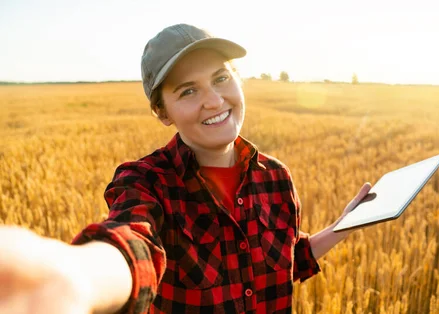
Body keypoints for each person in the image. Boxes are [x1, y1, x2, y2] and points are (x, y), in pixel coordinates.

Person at [0, 23, 371, 314]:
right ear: (162, 112)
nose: (214, 100)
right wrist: (77, 278)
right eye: (188, 91)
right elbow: (134, 243)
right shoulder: (147, 182)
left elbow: (282, 265)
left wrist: (343, 226)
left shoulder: (276, 178)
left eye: (221, 78)